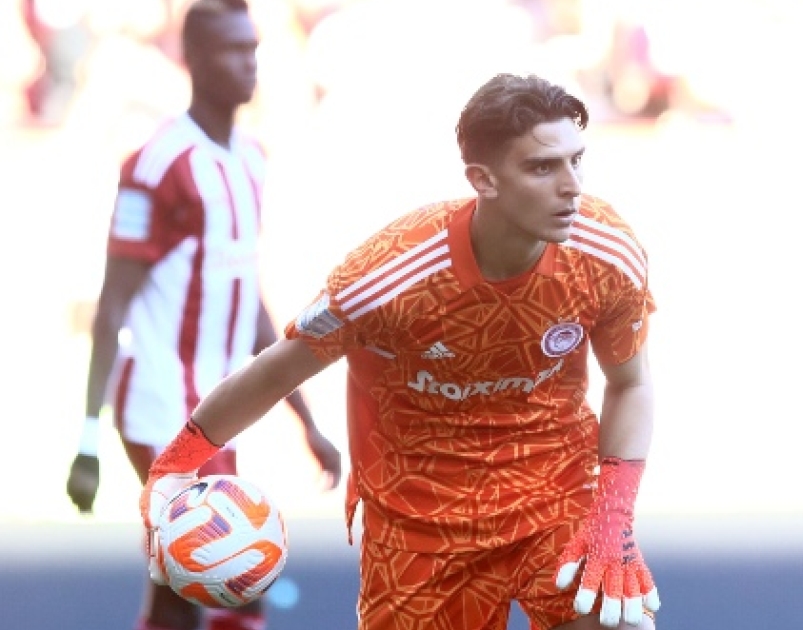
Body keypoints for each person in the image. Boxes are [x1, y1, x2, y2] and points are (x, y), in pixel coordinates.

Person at [139, 72, 662, 629]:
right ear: (482, 179)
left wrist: (613, 515)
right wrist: (176, 463)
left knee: (620, 624)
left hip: (553, 497)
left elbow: (631, 383)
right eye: (542, 167)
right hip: (419, 523)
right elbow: (277, 370)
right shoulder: (386, 278)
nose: (572, 186)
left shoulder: (606, 252)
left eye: (576, 160)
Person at [63, 2, 343, 630]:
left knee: (194, 590)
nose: (249, 64)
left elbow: (245, 298)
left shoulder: (251, 158)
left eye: (253, 48)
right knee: (227, 574)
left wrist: (306, 421)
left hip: (218, 413)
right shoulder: (158, 163)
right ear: (193, 59)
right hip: (160, 406)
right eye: (232, 50)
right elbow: (112, 304)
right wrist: (86, 439)